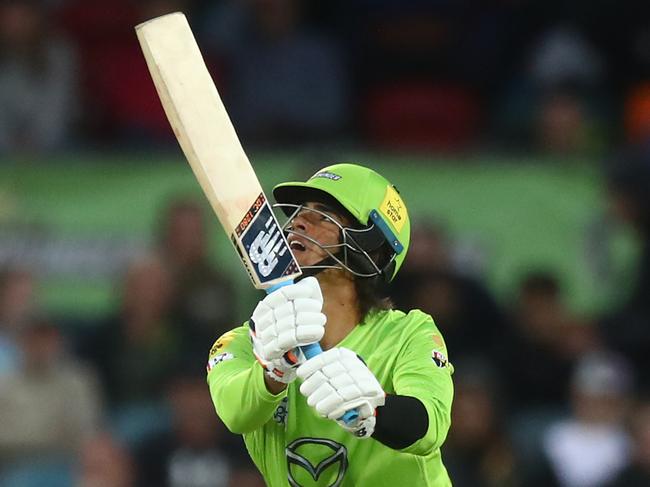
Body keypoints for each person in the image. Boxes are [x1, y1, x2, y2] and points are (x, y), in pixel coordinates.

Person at [207, 163, 454, 486]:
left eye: (323, 215)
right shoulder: (246, 342)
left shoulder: (409, 333)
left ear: (373, 246)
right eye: (299, 212)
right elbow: (236, 413)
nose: (298, 222)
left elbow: (430, 428)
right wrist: (275, 373)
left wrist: (374, 411)